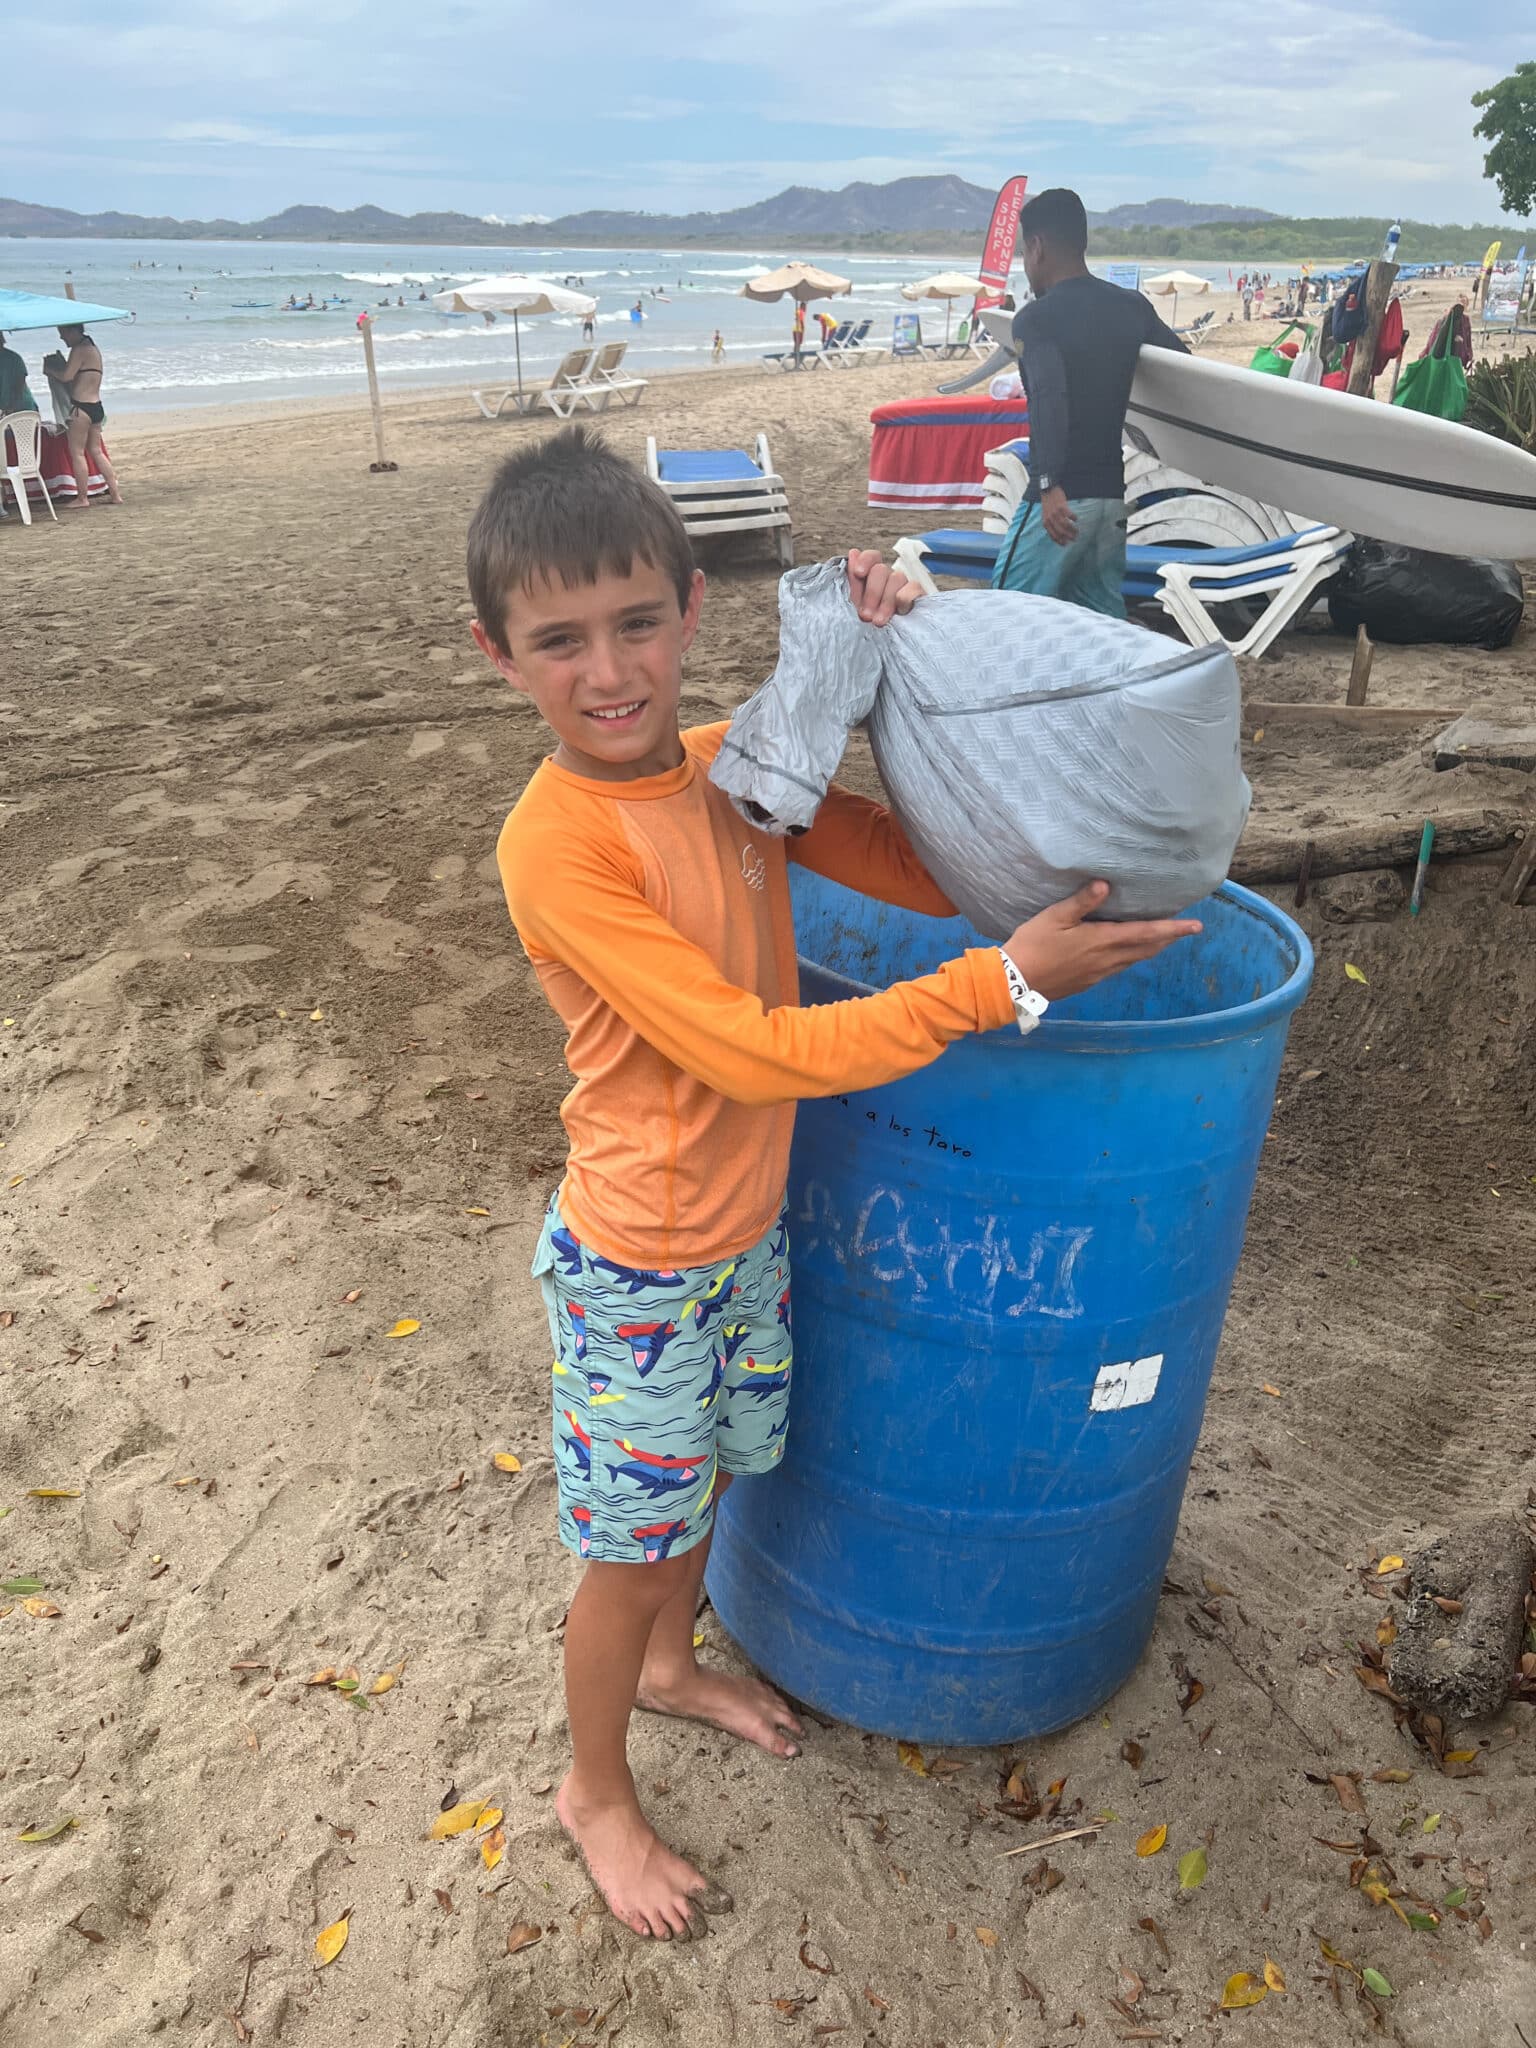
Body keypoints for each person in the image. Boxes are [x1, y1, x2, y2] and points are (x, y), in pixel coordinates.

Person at [470, 426, 1201, 1940]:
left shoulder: (731, 766)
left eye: (638, 624)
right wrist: (1002, 983)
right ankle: (592, 1788)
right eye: (560, 642)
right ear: (498, 656)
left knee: (722, 1469)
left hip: (742, 1239)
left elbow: (892, 846)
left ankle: (675, 1668)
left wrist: (1040, 858)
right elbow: (748, 1050)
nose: (610, 672)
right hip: (640, 1261)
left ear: (689, 607)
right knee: (633, 1547)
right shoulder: (556, 850)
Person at [990, 188, 1185, 616]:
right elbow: (1182, 368)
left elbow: (1049, 396)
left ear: (1037, 247)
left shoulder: (1036, 318)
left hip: (1062, 501)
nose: (1025, 263)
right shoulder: (1132, 306)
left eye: (1024, 251)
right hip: (1109, 500)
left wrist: (1048, 484)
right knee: (1101, 625)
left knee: (1004, 613)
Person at [43, 324, 123, 509]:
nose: (62, 339)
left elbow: (67, 376)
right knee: (96, 451)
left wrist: (50, 370)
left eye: (63, 334)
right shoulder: (93, 348)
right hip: (96, 406)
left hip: (81, 408)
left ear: (72, 331)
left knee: (77, 453)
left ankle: (82, 498)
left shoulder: (79, 349)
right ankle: (115, 494)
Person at [0, 330, 39, 415]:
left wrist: (11, 408)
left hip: (22, 408)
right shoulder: (15, 357)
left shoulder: (14, 358)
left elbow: (19, 385)